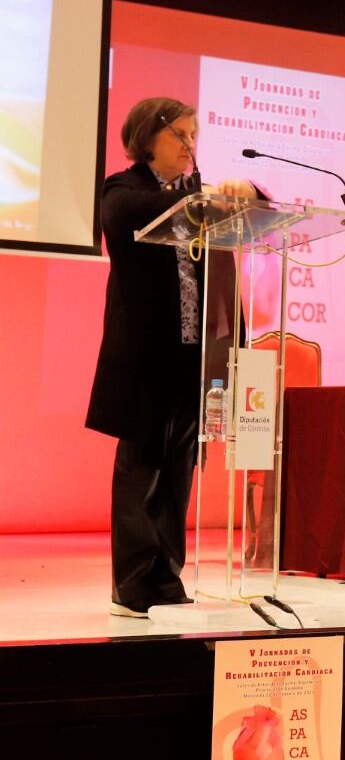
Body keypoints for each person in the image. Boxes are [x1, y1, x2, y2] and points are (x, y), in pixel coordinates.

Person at [86, 96, 257, 618]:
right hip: (144, 357)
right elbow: (121, 218)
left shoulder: (193, 198)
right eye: (179, 135)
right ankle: (131, 587)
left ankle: (166, 579)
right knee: (140, 470)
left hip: (193, 356)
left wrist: (247, 193)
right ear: (148, 137)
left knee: (178, 471)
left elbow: (252, 213)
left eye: (193, 136)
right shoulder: (125, 188)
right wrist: (196, 194)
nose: (189, 145)